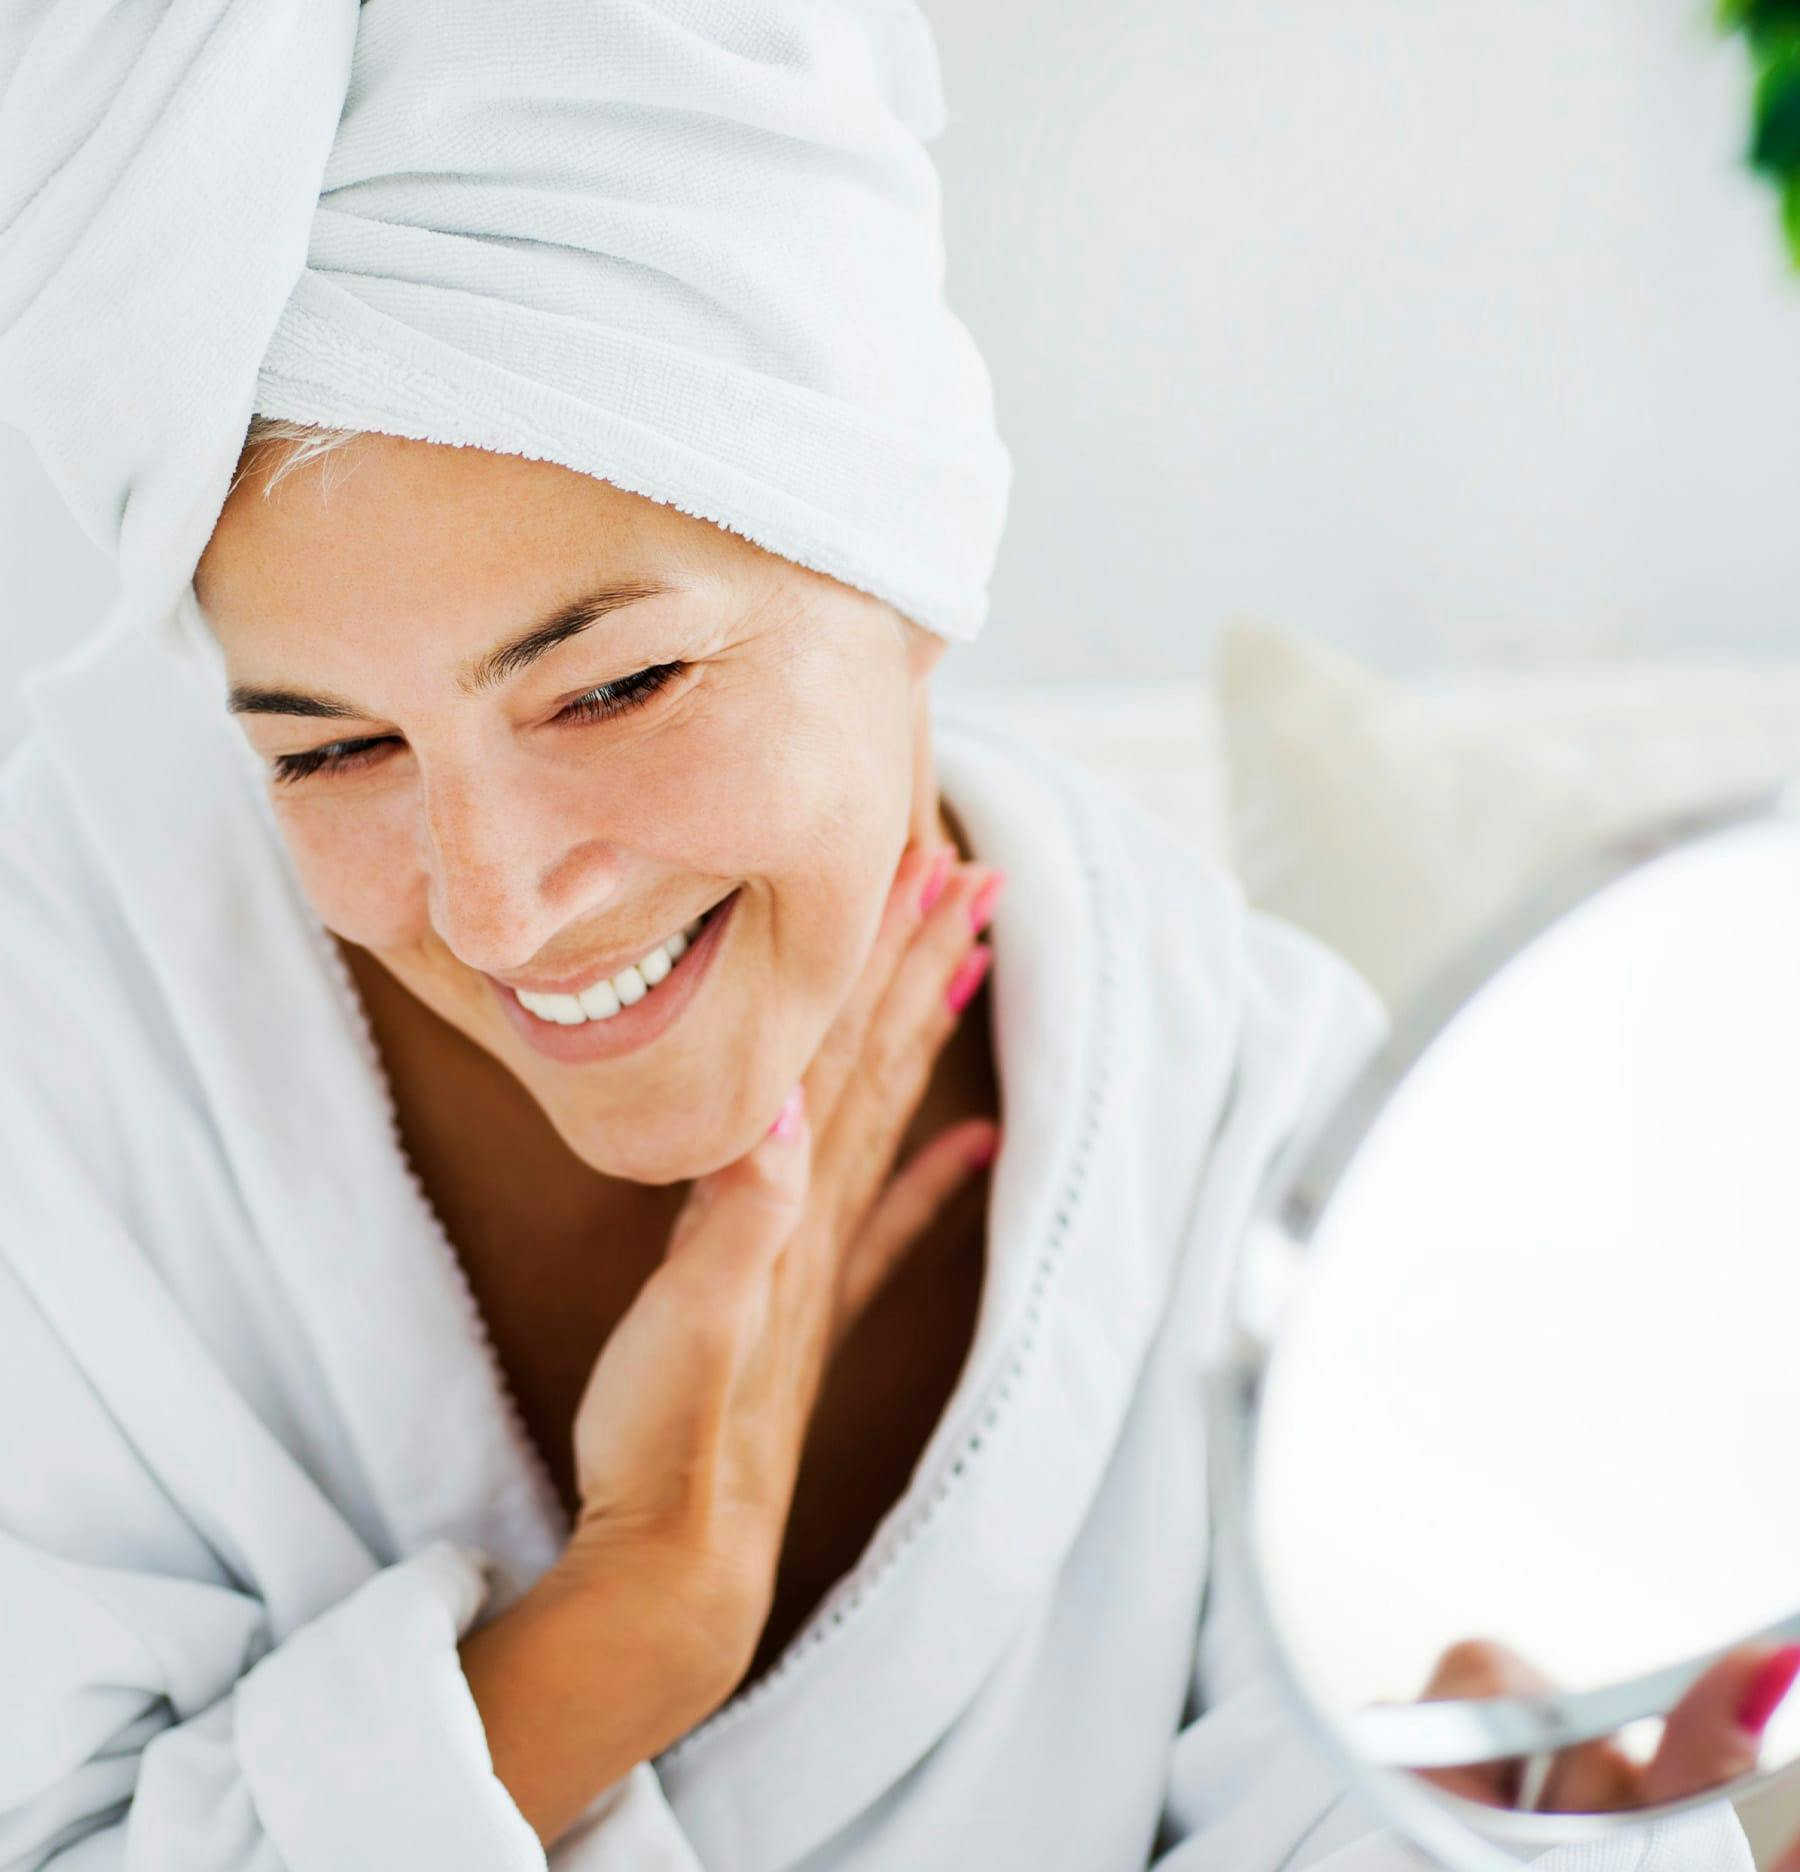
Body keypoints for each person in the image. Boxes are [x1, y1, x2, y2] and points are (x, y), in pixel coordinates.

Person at [0, 2, 1767, 1868]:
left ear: (906, 546)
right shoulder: (53, 1055)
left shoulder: (1262, 1154)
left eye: (613, 687)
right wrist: (623, 1634)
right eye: (330, 747)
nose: (496, 898)